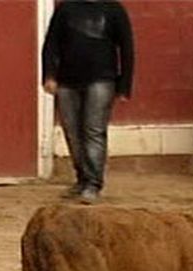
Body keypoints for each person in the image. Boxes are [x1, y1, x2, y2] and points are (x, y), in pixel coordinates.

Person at [41, 0, 134, 204]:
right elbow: (51, 43)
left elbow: (126, 47)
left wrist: (124, 84)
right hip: (67, 80)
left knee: (93, 130)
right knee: (72, 132)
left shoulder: (114, 9)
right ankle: (82, 179)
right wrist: (49, 75)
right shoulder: (66, 9)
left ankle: (93, 183)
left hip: (102, 79)